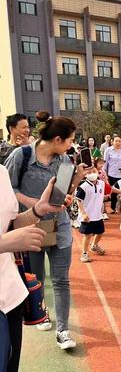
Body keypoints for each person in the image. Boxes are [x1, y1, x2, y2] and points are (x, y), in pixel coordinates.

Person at [0, 165, 65, 372]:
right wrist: (4, 244)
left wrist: (37, 211)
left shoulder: (0, 173)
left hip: (8, 299)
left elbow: (9, 225)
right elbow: (5, 239)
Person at [5, 111, 85, 350]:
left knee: (61, 281)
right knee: (36, 279)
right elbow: (9, 190)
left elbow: (61, 196)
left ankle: (63, 330)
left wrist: (75, 182)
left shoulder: (65, 162)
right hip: (30, 227)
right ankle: (41, 312)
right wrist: (37, 206)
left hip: (59, 229)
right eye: (70, 140)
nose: (72, 145)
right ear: (58, 139)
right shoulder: (22, 156)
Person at [76, 169, 107, 262]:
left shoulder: (101, 183)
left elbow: (107, 190)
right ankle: (84, 253)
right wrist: (83, 213)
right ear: (86, 174)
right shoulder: (83, 186)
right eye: (89, 172)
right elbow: (79, 200)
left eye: (94, 171)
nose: (92, 174)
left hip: (98, 214)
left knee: (100, 232)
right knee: (88, 235)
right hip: (87, 216)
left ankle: (94, 245)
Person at [104, 135, 121, 213]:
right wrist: (105, 173)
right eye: (116, 141)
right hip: (111, 173)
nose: (118, 143)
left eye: (119, 141)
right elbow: (105, 163)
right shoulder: (108, 150)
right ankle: (112, 207)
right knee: (112, 191)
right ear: (112, 142)